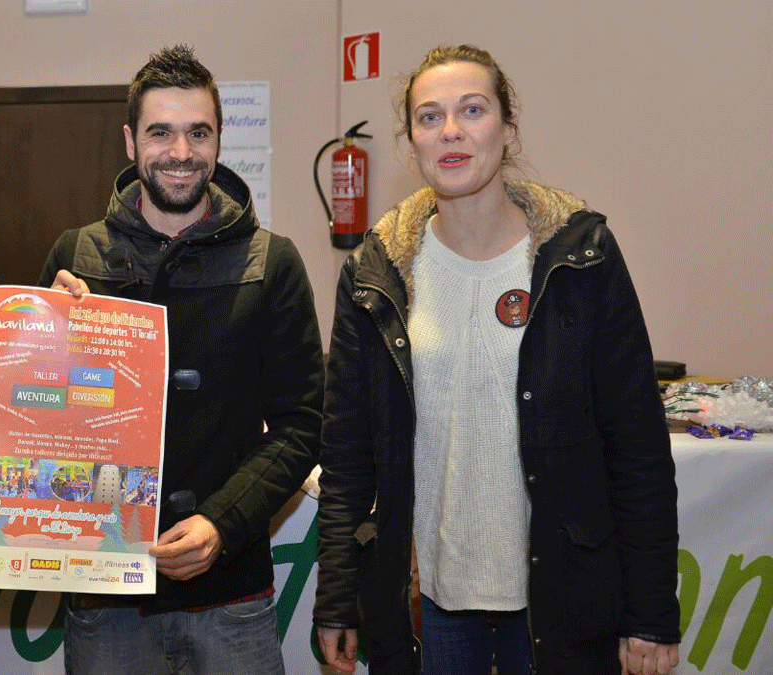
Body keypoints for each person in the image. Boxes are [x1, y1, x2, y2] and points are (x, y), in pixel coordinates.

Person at [313, 45, 680, 675]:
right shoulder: (376, 275)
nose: (450, 131)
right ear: (412, 142)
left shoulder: (582, 258)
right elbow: (346, 457)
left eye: (472, 110)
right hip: (427, 607)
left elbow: (638, 449)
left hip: (560, 606)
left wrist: (649, 614)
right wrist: (338, 599)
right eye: (429, 117)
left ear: (508, 129)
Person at [38, 45, 323, 675]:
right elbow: (36, 420)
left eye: (199, 132)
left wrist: (221, 523)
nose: (181, 151)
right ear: (129, 141)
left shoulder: (271, 262)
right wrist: (37, 342)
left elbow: (303, 426)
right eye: (160, 132)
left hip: (231, 593)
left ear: (219, 140)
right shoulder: (75, 255)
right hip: (105, 594)